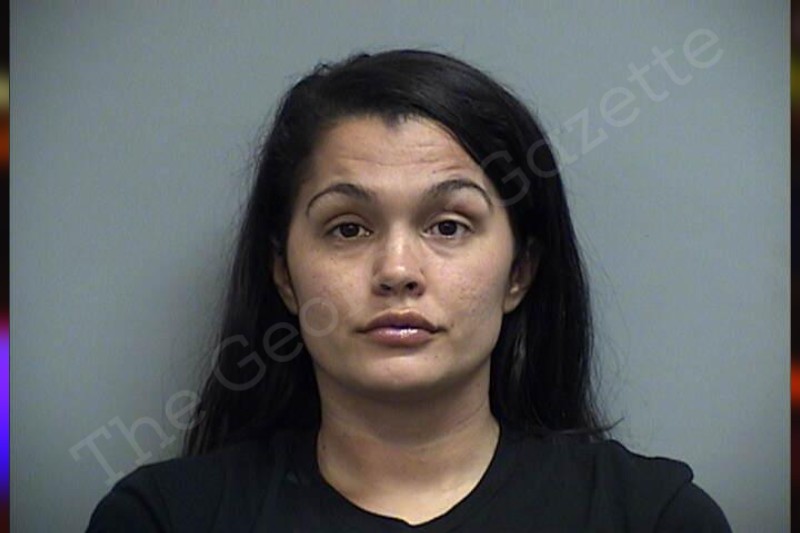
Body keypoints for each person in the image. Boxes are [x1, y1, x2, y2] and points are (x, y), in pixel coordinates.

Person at [87, 49, 730, 531]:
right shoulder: (164, 518)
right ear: (284, 274)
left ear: (519, 272)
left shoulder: (651, 517)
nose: (397, 270)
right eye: (348, 228)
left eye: (448, 226)